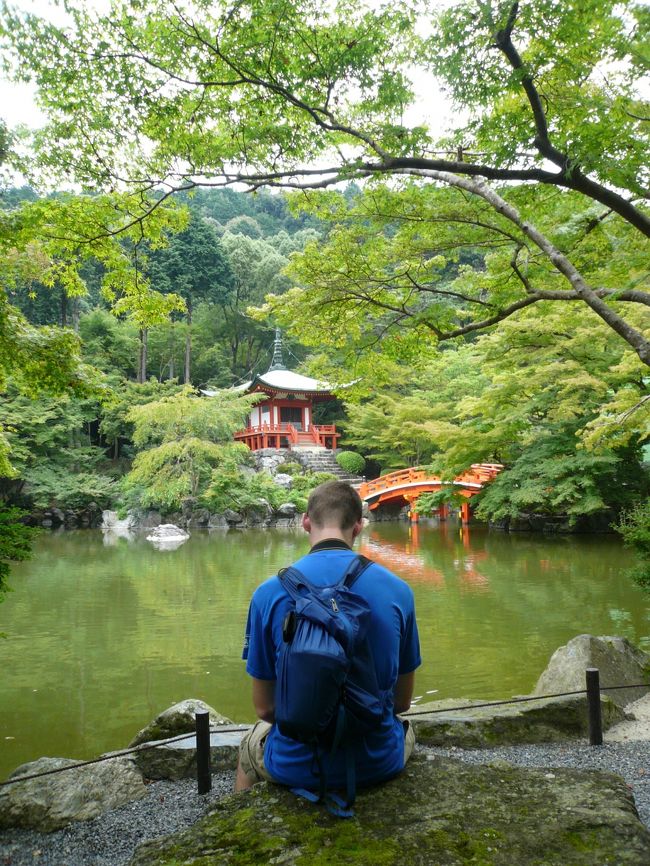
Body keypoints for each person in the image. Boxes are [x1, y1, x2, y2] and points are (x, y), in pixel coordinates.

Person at [235, 479, 421, 794]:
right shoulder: (398, 591)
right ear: (359, 527)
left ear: (306, 521)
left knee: (250, 745)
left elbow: (265, 709)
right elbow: (401, 702)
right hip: (377, 760)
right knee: (406, 729)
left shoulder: (268, 594)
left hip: (295, 764)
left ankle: (239, 825)